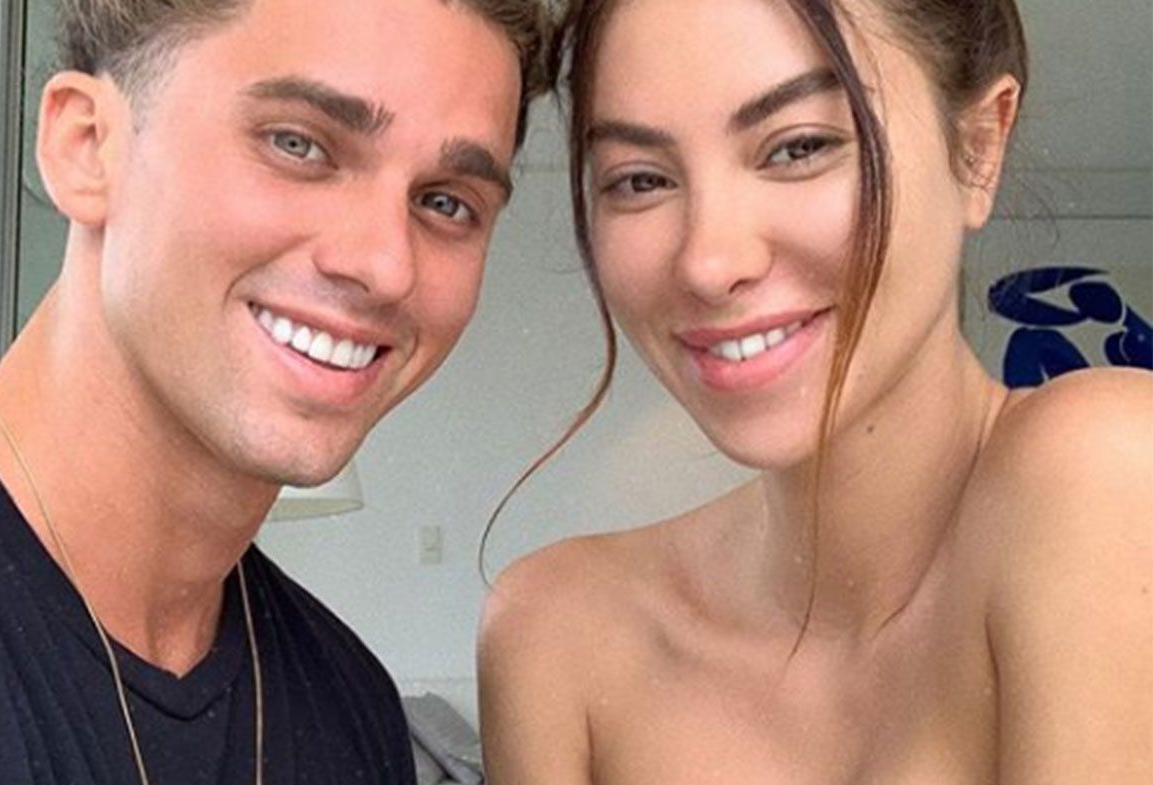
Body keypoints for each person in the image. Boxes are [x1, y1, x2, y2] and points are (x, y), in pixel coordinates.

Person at [0, 0, 550, 782]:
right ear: (86, 146)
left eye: (446, 202)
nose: (385, 265)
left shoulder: (349, 703)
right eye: (299, 144)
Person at [478, 0, 1152, 782]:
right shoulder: (555, 633)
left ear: (977, 148)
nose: (709, 262)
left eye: (799, 147)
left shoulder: (1105, 464)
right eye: (641, 179)